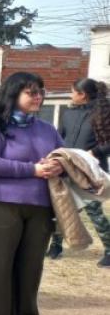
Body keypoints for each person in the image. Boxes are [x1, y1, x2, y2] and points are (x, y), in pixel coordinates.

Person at [0, 73, 64, 315]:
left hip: (39, 207)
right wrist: (33, 169)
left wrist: (61, 166)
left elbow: (64, 156)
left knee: (30, 267)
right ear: (13, 96)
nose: (38, 97)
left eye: (40, 91)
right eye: (31, 93)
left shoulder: (47, 129)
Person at [46, 78, 110, 266]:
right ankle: (55, 246)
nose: (71, 95)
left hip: (90, 172)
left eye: (73, 91)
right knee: (61, 208)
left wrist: (94, 152)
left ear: (82, 95)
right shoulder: (68, 114)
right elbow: (59, 138)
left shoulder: (104, 114)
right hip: (66, 169)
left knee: (94, 213)